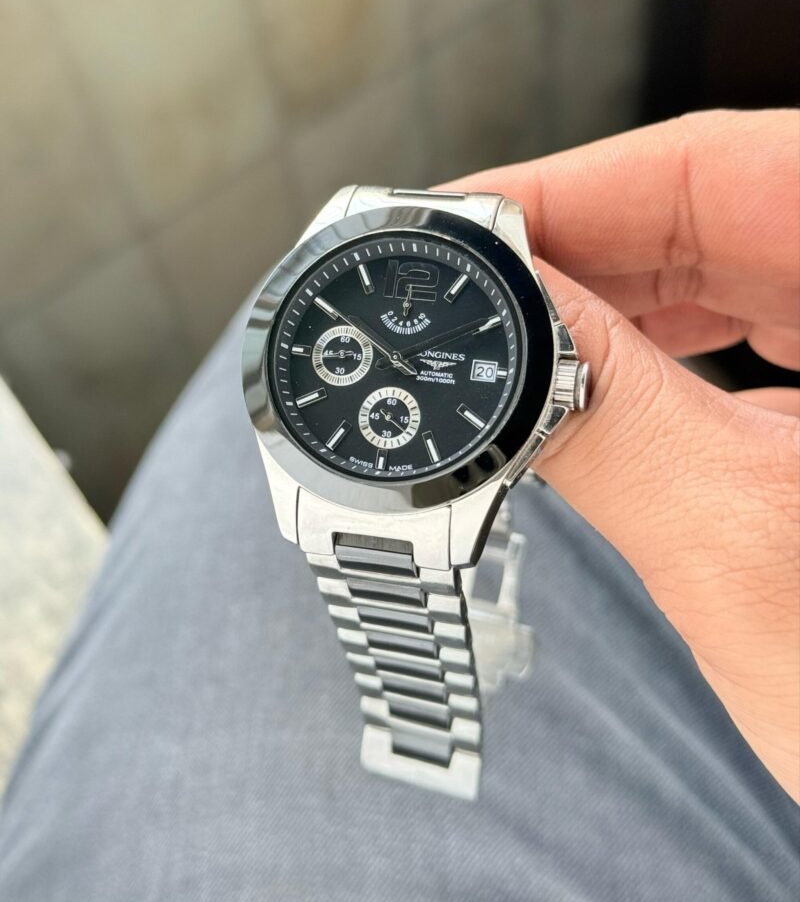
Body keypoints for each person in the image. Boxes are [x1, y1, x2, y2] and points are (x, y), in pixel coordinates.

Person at [0, 109, 797, 900]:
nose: (400, 365)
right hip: (357, 461)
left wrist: (565, 373)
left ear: (559, 381)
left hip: (434, 472)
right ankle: (420, 712)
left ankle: (426, 713)